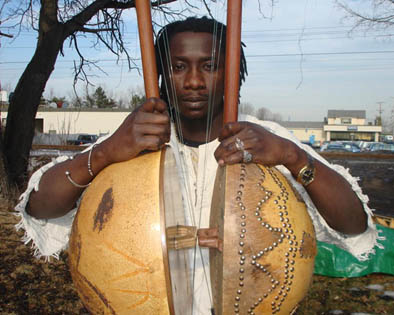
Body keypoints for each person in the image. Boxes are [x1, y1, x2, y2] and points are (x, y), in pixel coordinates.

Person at [16, 16, 380, 314]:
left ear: (234, 73)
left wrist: (292, 156)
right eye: (177, 67)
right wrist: (108, 150)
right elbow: (41, 208)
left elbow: (353, 225)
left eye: (209, 66)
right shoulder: (132, 141)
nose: (193, 81)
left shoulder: (268, 140)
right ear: (161, 76)